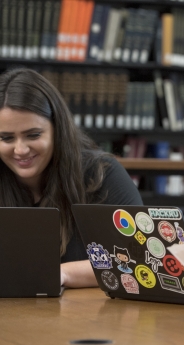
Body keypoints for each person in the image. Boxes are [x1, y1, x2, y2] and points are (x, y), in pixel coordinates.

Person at [0, 68, 142, 288]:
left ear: (58, 129)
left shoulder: (102, 173)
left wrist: (62, 273)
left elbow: (138, 257)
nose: (20, 150)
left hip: (90, 317)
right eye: (6, 138)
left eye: (33, 135)